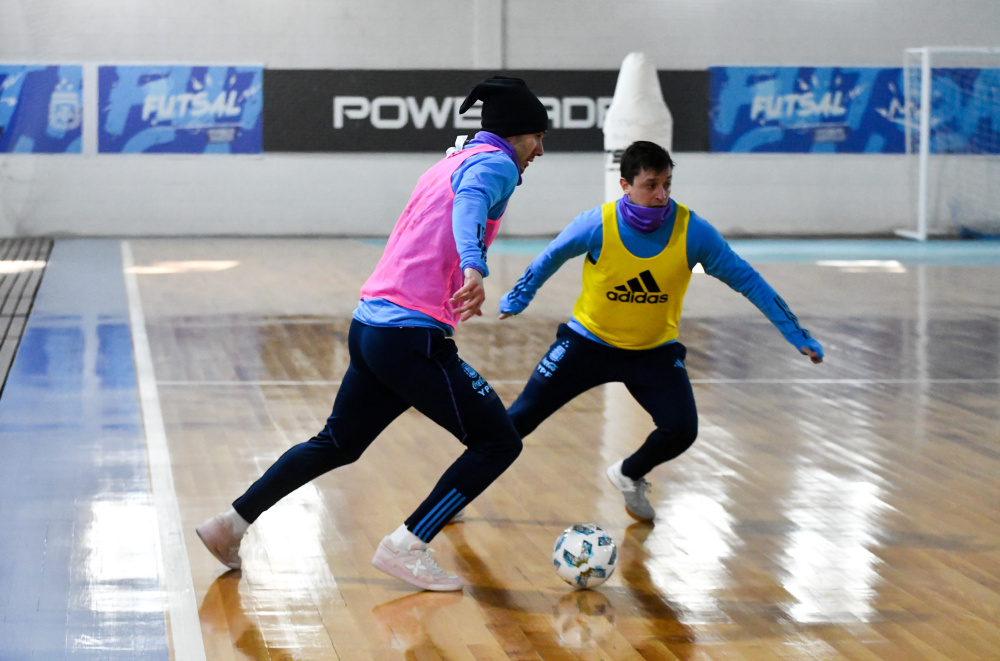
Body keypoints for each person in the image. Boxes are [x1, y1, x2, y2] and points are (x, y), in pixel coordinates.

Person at [195, 75, 549, 591]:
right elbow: (471, 201)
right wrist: (474, 266)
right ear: (516, 133)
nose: (540, 150)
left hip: (370, 327)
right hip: (410, 335)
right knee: (498, 442)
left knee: (338, 442)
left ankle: (230, 524)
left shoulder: (451, 160)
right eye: (537, 136)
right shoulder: (492, 165)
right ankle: (408, 544)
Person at [498, 140, 823, 522]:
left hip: (652, 353)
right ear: (625, 185)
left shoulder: (693, 232)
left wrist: (796, 334)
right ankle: (458, 489)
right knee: (513, 424)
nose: (661, 194)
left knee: (682, 429)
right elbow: (549, 257)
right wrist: (517, 299)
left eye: (667, 184)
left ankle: (628, 474)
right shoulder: (596, 223)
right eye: (651, 184)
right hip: (586, 344)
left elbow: (748, 281)